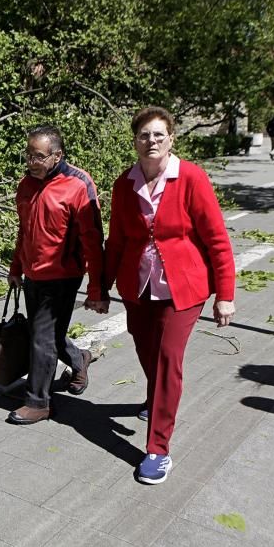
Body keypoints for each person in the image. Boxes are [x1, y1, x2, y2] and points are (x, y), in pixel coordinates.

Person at [104, 107, 236, 485]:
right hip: (139, 286)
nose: (152, 142)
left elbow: (217, 240)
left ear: (171, 139)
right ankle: (157, 398)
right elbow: (116, 242)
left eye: (159, 135)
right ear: (134, 141)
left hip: (184, 288)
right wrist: (100, 287)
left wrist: (224, 294)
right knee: (146, 352)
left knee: (166, 358)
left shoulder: (191, 178)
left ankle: (157, 449)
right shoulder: (123, 184)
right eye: (144, 135)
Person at [6, 125, 108, 425]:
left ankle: (39, 402)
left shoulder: (78, 184)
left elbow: (93, 240)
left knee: (42, 337)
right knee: (44, 333)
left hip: (63, 275)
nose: (31, 162)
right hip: (33, 273)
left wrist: (96, 288)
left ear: (57, 155)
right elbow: (23, 231)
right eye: (28, 156)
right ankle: (79, 359)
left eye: (38, 156)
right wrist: (15, 268)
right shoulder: (26, 185)